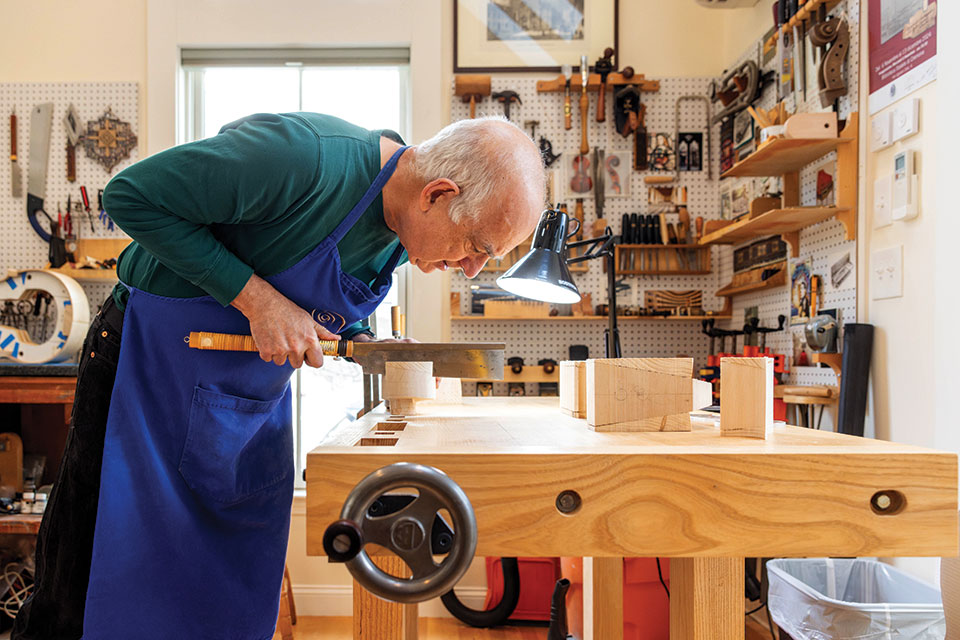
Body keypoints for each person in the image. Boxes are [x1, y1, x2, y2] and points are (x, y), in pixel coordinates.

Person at [13, 113, 545, 640]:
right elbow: (130, 196)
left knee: (230, 585)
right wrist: (257, 301)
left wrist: (361, 338)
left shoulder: (399, 222)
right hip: (147, 371)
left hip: (239, 409)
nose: (473, 269)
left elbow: (309, 279)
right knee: (85, 575)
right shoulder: (298, 158)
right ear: (436, 194)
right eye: (477, 247)